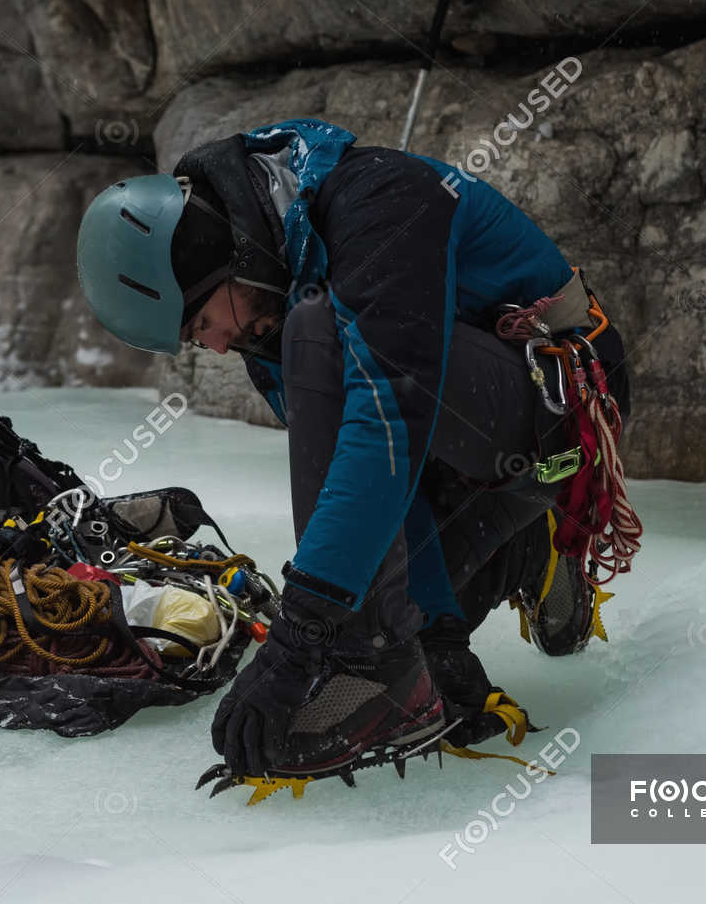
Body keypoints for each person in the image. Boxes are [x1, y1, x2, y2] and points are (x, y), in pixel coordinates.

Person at [76, 118, 633, 786]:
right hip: (457, 447)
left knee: (325, 333)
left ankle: (384, 655)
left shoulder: (379, 200)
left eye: (202, 322)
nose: (218, 345)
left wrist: (305, 637)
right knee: (388, 603)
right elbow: (365, 480)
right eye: (200, 340)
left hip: (557, 417)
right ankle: (524, 546)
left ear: (228, 252)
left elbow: (386, 426)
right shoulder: (269, 312)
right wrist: (433, 636)